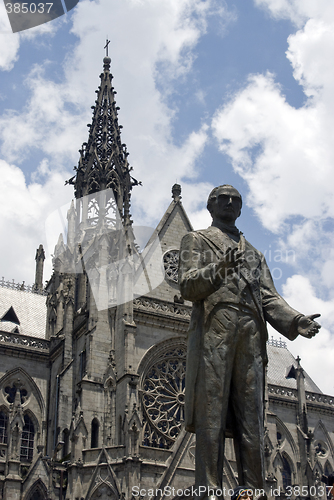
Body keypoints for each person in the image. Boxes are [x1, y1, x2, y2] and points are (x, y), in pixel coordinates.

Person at [178, 185, 321, 499]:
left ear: (241, 209)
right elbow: (187, 285)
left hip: (252, 334)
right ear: (210, 205)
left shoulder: (254, 254)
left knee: (252, 414)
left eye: (235, 200)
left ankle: (253, 488)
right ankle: (209, 487)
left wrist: (297, 320)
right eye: (223, 199)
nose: (229, 203)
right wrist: (220, 268)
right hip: (216, 327)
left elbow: (268, 298)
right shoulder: (196, 240)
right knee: (211, 412)